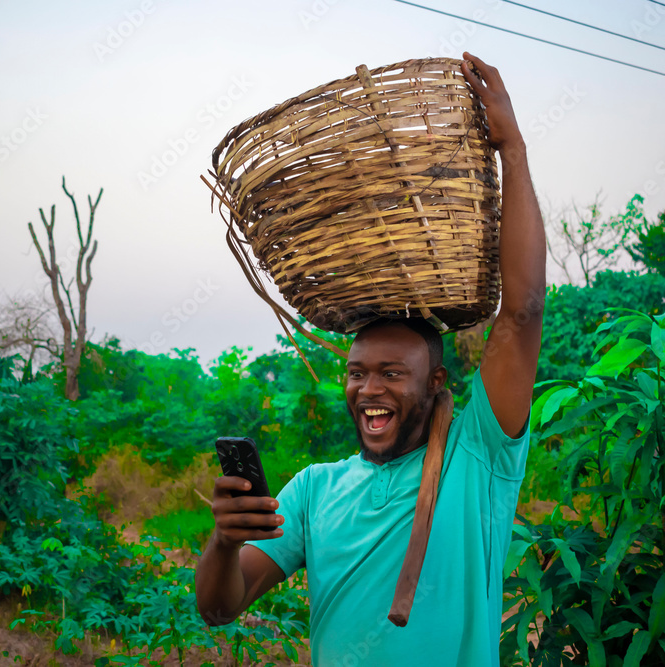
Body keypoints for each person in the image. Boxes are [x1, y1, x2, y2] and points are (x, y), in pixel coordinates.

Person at [195, 52, 546, 666]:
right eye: (357, 373)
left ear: (436, 382)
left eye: (390, 373)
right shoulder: (312, 492)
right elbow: (220, 609)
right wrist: (224, 544)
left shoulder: (478, 459)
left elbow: (520, 316)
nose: (368, 389)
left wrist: (511, 149)